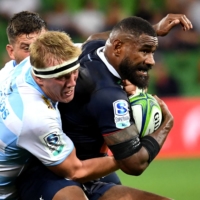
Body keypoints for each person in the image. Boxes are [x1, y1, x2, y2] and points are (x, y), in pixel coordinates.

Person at [17, 16, 175, 200]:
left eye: (152, 52)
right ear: (117, 48)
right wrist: (167, 124)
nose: (151, 61)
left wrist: (153, 29)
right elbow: (134, 164)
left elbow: (97, 36)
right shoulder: (109, 96)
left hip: (91, 170)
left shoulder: (93, 49)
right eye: (145, 51)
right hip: (50, 173)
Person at [0, 31, 119, 200]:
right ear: (40, 79)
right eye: (62, 78)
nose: (72, 83)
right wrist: (125, 156)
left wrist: (152, 30)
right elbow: (76, 171)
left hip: (27, 164)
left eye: (74, 72)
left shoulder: (37, 62)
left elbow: (91, 42)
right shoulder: (34, 116)